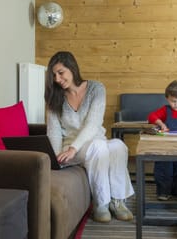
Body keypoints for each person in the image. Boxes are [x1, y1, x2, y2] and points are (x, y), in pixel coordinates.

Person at [45, 51, 134, 223]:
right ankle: (101, 203)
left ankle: (117, 201)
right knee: (98, 147)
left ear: (72, 68)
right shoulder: (54, 97)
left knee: (118, 145)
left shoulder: (96, 88)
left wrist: (74, 147)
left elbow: (93, 124)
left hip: (89, 143)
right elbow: (54, 130)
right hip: (70, 148)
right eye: (54, 75)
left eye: (61, 73)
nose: (57, 79)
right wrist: (56, 157)